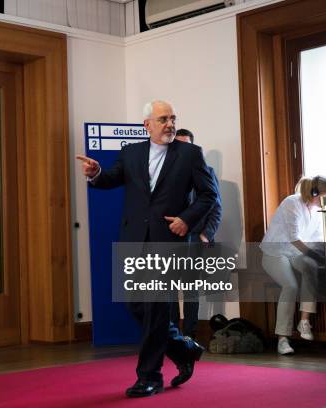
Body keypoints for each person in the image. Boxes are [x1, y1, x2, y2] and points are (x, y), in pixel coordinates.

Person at [76, 100, 218, 397]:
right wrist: (96, 173)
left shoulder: (190, 154)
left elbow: (208, 196)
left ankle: (149, 377)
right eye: (163, 118)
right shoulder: (131, 152)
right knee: (136, 305)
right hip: (134, 239)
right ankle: (183, 348)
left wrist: (187, 220)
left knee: (155, 308)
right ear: (147, 125)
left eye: (173, 118)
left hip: (167, 240)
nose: (169, 124)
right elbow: (111, 179)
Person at [260, 175, 326, 354]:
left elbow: (316, 239)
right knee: (291, 286)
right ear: (315, 193)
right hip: (274, 252)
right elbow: (294, 238)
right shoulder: (291, 203)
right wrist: (314, 254)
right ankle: (282, 339)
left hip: (296, 253)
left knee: (312, 267)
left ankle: (304, 321)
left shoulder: (317, 211)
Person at [170, 129, 222, 339]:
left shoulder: (207, 172)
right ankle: (172, 335)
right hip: (171, 239)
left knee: (190, 290)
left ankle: (189, 335)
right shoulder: (164, 171)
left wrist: (206, 235)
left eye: (187, 145)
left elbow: (216, 207)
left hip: (195, 238)